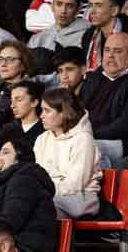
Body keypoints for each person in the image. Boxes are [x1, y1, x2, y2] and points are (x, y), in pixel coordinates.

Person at [79, 32, 128, 168]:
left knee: (82, 149)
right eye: (107, 50)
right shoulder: (93, 78)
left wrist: (88, 134)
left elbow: (127, 125)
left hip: (119, 141)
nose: (110, 55)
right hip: (87, 136)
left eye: (118, 51)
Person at [33, 86, 100, 219]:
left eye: (47, 111)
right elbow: (40, 175)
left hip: (80, 198)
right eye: (42, 110)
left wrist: (43, 190)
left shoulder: (83, 139)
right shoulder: (42, 139)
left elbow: (75, 183)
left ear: (63, 112)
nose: (41, 116)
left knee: (37, 207)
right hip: (50, 195)